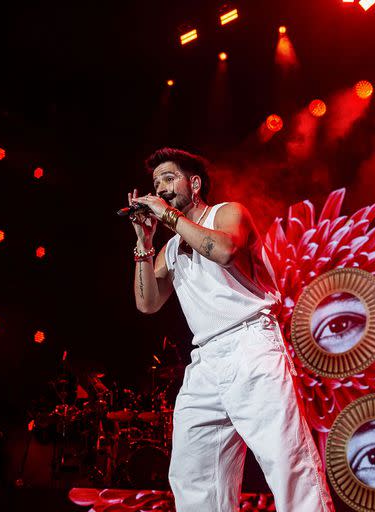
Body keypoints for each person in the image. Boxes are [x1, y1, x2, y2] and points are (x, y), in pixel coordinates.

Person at [128, 148, 332, 512]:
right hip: (205, 359)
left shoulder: (227, 213)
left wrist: (170, 216)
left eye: (169, 178)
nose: (160, 188)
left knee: (285, 459)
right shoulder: (171, 248)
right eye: (156, 183)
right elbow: (147, 304)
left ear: (194, 183)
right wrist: (144, 244)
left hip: (250, 342)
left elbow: (223, 250)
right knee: (194, 474)